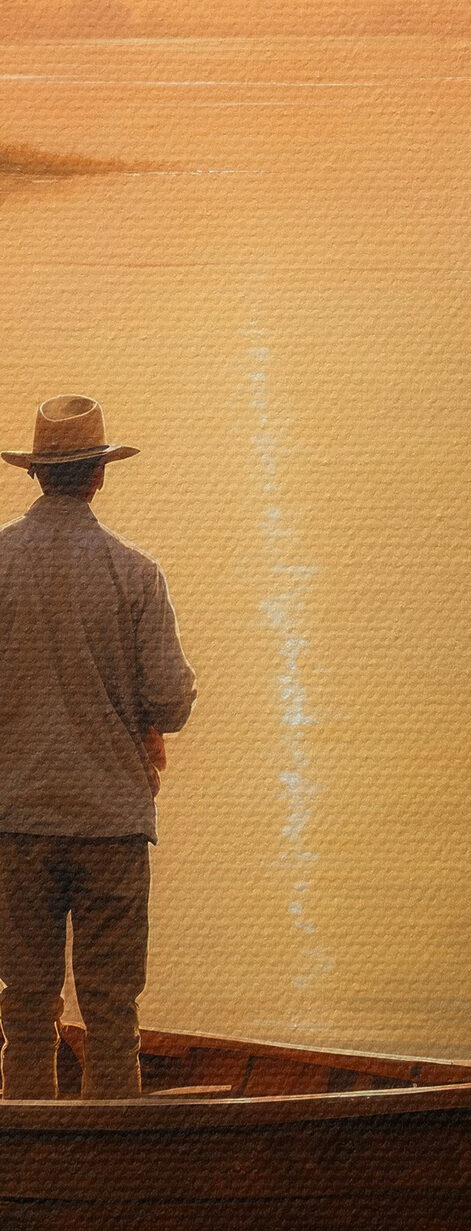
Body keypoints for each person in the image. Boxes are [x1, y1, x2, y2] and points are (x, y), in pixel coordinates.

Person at [0, 394, 197, 1099]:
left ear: (38, 474)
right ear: (98, 475)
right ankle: (117, 1175)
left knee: (25, 1012)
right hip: (111, 823)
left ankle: (25, 1167)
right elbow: (169, 702)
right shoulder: (135, 572)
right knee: (112, 1015)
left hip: (18, 820)